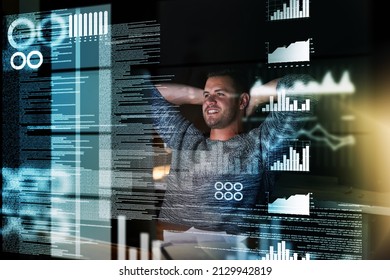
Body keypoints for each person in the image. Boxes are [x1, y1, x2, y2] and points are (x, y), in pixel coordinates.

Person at [152, 67, 314, 235]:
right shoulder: (185, 140)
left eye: (220, 94)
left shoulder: (262, 144)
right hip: (167, 254)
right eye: (207, 95)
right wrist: (205, 97)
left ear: (242, 101)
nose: (210, 100)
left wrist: (256, 97)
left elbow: (303, 86)